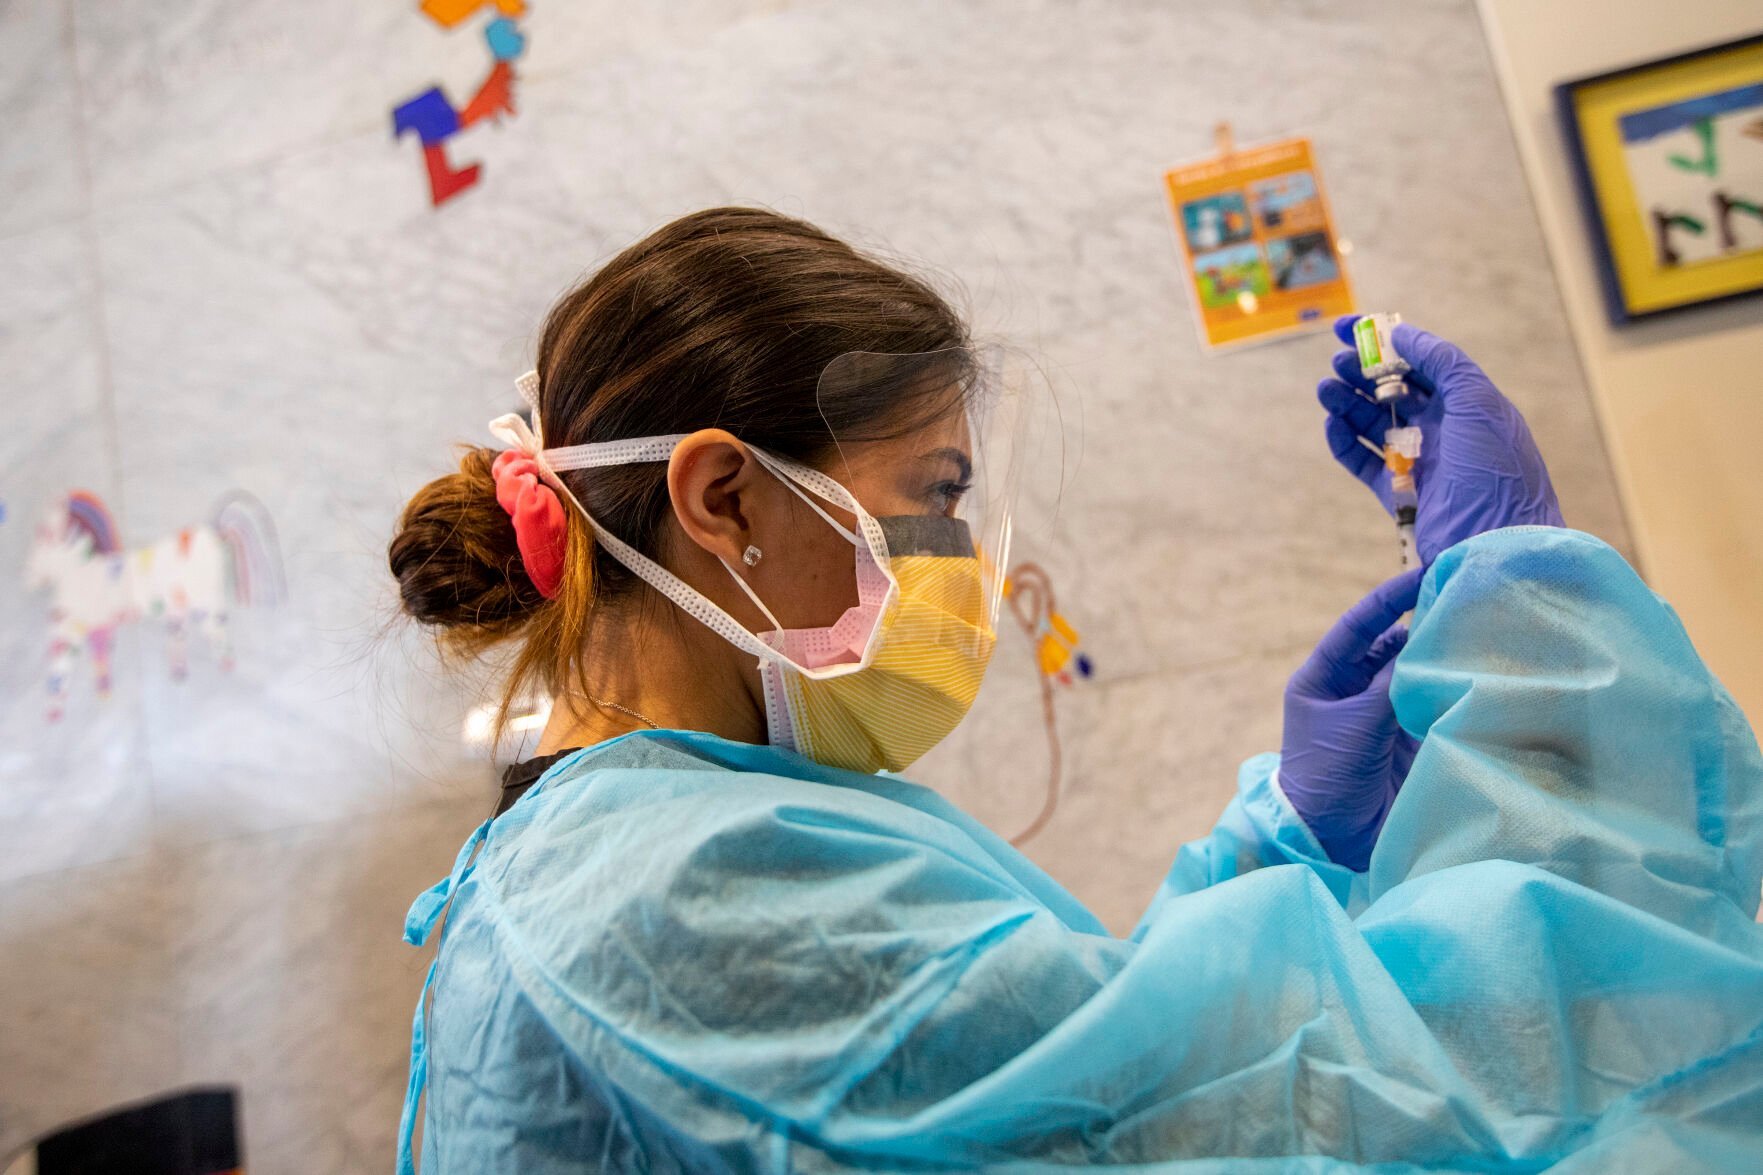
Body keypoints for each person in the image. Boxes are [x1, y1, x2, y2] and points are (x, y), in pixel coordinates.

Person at [387, 207, 1763, 1172]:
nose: (954, 571)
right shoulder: (681, 893)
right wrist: (1530, 629)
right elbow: (1382, 1117)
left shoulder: (623, 851)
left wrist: (1279, 832)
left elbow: (1076, 1076)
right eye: (931, 503)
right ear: (723, 496)